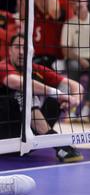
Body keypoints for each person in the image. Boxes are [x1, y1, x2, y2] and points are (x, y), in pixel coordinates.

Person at [0, 34, 84, 162]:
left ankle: (42, 138)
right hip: (4, 135)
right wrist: (57, 93)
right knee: (24, 91)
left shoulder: (36, 69)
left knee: (64, 89)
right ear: (10, 50)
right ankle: (59, 144)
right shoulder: (3, 66)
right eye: (17, 47)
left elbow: (74, 85)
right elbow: (16, 82)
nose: (21, 52)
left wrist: (74, 101)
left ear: (33, 52)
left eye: (25, 48)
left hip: (28, 138)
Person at [32, 0, 75, 69]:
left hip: (56, 59)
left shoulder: (59, 13)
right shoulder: (35, 14)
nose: (40, 3)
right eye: (37, 0)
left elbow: (54, 12)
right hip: (37, 56)